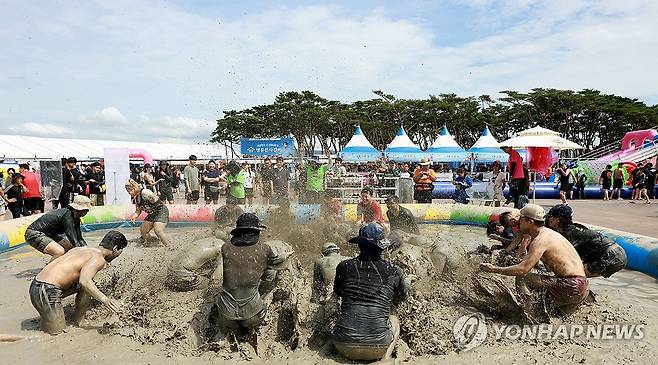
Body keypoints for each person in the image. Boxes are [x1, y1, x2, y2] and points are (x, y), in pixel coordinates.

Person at [480, 204, 589, 312]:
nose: (518, 222)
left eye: (521, 219)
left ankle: (527, 315)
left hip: (571, 286)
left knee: (522, 278)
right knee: (554, 317)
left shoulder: (540, 240)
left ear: (530, 222)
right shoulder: (549, 234)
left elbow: (522, 270)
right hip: (583, 287)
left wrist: (494, 269)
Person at [332, 223, 410, 361]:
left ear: (359, 245)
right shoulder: (394, 270)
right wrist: (407, 282)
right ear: (381, 248)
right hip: (377, 347)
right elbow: (402, 297)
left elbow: (338, 292)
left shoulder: (344, 266)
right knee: (394, 319)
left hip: (342, 345)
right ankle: (385, 358)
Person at [29, 230, 127, 335]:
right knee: (57, 335)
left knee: (89, 287)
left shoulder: (82, 249)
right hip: (44, 291)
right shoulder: (98, 258)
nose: (118, 255)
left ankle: (78, 321)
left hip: (38, 285)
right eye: (120, 251)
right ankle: (21, 339)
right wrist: (106, 300)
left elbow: (84, 283)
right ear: (115, 248)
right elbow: (84, 281)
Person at [214, 213, 291, 347]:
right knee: (269, 275)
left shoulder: (225, 247)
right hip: (253, 315)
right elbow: (275, 263)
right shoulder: (264, 248)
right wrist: (286, 255)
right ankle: (251, 326)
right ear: (257, 231)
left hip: (226, 316)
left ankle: (231, 331)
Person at [545, 204, 627, 278]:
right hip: (616, 253)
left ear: (557, 220)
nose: (549, 220)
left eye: (550, 217)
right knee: (573, 275)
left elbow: (562, 259)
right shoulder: (571, 229)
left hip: (612, 256)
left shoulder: (569, 234)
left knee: (573, 276)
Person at [24, 195, 91, 258]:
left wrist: (88, 251)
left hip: (50, 234)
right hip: (34, 233)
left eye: (86, 211)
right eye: (82, 210)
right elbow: (73, 239)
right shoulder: (67, 216)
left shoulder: (76, 218)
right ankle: (50, 270)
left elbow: (80, 238)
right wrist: (83, 255)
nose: (84, 213)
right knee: (59, 252)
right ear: (74, 208)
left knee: (70, 249)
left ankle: (64, 266)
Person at [125, 179, 172, 246]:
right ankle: (153, 242)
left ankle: (169, 246)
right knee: (143, 230)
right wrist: (134, 216)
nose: (128, 193)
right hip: (152, 214)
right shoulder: (136, 199)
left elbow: (154, 197)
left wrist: (153, 199)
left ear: (134, 188)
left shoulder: (144, 192)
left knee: (157, 230)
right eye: (127, 191)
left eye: (129, 190)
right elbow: (138, 210)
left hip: (161, 211)